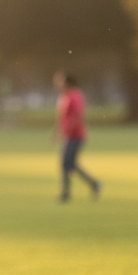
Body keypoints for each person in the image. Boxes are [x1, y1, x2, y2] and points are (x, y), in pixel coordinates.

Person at [52, 71, 100, 202]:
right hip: (68, 135)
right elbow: (63, 117)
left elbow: (79, 115)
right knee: (67, 163)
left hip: (76, 135)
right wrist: (58, 132)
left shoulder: (75, 95)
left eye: (59, 81)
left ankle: (90, 184)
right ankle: (72, 190)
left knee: (68, 163)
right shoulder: (64, 96)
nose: (56, 83)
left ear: (67, 82)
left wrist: (66, 130)